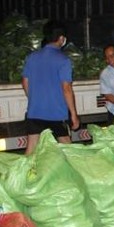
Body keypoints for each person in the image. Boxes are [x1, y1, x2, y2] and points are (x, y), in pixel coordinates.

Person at [21, 20, 80, 154]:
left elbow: (25, 81)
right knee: (67, 147)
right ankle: (77, 173)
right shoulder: (64, 60)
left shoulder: (32, 57)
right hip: (57, 113)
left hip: (35, 111)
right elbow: (66, 88)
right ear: (61, 39)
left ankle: (23, 174)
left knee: (31, 149)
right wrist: (74, 114)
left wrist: (34, 99)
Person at [99, 44, 114, 124]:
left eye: (112, 56)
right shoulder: (105, 74)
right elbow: (108, 96)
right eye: (107, 57)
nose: (110, 60)